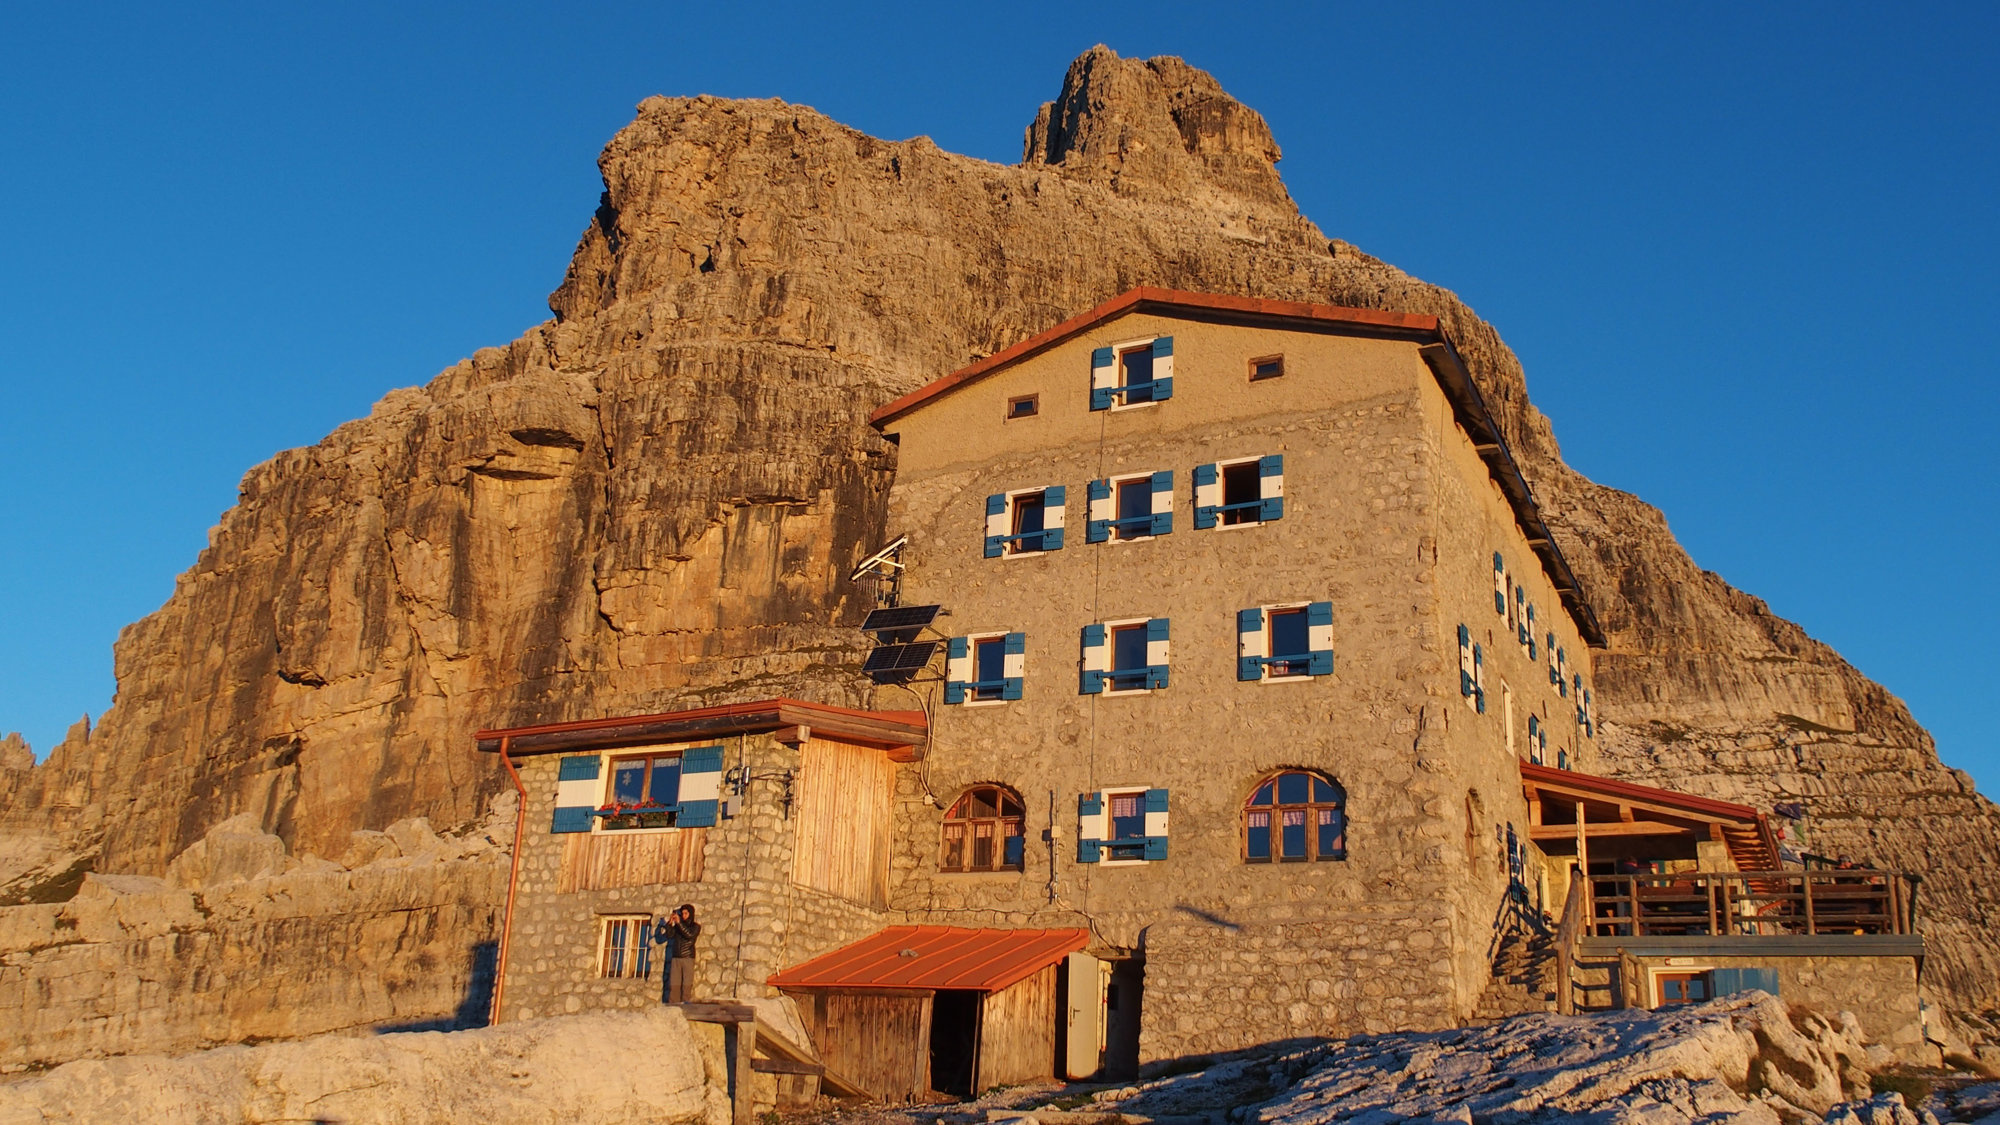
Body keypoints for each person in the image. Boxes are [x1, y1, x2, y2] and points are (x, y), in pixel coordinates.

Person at [654, 903, 700, 1004]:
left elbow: (689, 935)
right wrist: (669, 923)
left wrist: (679, 923)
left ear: (690, 914)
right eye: (682, 913)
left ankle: (686, 1007)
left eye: (685, 913)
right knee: (674, 985)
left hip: (688, 957)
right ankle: (672, 1007)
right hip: (676, 958)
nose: (683, 915)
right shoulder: (678, 926)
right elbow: (669, 935)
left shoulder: (695, 926)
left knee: (686, 985)